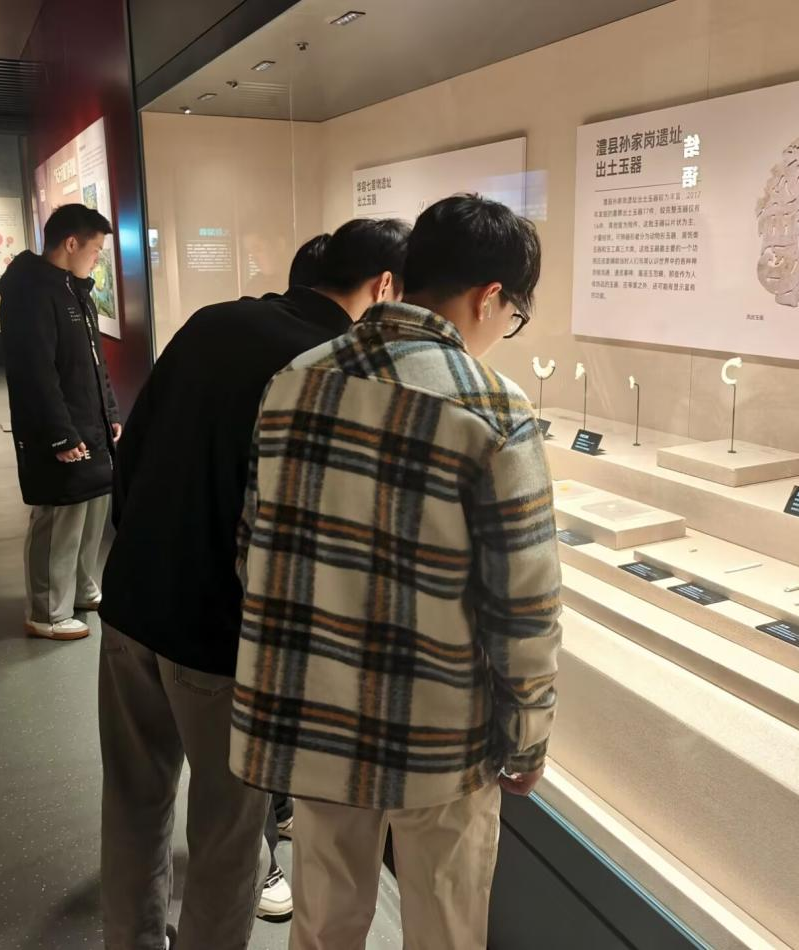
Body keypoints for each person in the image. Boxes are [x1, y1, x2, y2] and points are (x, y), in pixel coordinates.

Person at [231, 194, 563, 950]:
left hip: (317, 713)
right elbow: (524, 604)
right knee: (445, 924)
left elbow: (254, 544)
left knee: (323, 921)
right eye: (510, 315)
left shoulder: (296, 379)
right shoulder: (492, 408)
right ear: (489, 297)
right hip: (441, 733)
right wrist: (527, 735)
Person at [96, 217, 411, 950]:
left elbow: (131, 454)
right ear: (384, 286)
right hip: (221, 637)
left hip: (132, 602)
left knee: (133, 800)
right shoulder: (333, 368)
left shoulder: (213, 321)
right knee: (228, 831)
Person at [0, 204, 121, 642]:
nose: (97, 259)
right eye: (96, 249)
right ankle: (47, 612)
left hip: (89, 422)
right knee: (60, 516)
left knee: (91, 510)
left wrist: (110, 411)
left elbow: (93, 358)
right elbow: (35, 371)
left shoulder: (73, 289)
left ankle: (82, 589)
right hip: (61, 426)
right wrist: (59, 434)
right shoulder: (32, 292)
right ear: (71, 243)